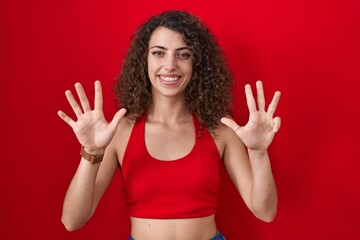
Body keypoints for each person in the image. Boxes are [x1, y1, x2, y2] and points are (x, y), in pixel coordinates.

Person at [58, 10, 281, 240]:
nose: (170, 65)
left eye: (183, 54)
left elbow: (265, 212)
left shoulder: (221, 129)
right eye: (158, 53)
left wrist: (258, 152)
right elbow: (72, 221)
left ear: (197, 63)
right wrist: (91, 152)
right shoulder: (120, 131)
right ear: (144, 60)